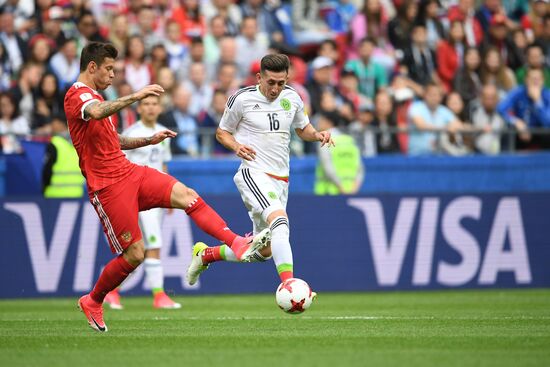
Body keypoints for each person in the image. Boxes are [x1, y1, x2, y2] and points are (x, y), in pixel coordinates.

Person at [67, 42, 270, 332]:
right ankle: (94, 300)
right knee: (136, 253)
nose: (112, 74)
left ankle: (236, 243)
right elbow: (97, 112)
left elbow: (114, 139)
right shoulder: (77, 96)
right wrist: (136, 95)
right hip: (107, 185)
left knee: (188, 196)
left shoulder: (96, 97)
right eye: (109, 68)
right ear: (92, 67)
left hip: (129, 171)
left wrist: (147, 141)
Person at [186, 53, 333, 289]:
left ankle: (206, 255)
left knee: (263, 250)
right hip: (253, 172)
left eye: (281, 83)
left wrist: (317, 135)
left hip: (281, 179)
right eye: (270, 82)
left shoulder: (292, 98)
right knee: (281, 223)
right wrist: (236, 146)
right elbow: (222, 132)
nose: (275, 89)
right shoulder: (241, 99)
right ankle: (290, 286)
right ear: (259, 77)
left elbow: (302, 128)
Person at [103, 95, 180, 310]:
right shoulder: (131, 135)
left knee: (142, 248)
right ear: (139, 109)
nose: (150, 108)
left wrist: (169, 196)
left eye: (154, 104)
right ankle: (158, 296)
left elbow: (163, 165)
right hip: (136, 198)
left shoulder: (164, 131)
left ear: (160, 108)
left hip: (156, 197)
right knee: (146, 247)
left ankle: (113, 292)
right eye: (146, 104)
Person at [314, 111, 364, 195]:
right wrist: (355, 188)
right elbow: (359, 168)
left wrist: (340, 187)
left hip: (329, 191)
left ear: (328, 122)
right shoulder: (350, 140)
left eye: (321, 120)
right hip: (351, 190)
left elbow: (328, 167)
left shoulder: (324, 140)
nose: (318, 123)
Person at [42, 114, 85, 198]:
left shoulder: (55, 143)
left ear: (61, 124)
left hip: (54, 195)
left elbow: (47, 171)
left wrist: (44, 187)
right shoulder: (78, 142)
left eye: (53, 123)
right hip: (76, 194)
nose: (51, 126)